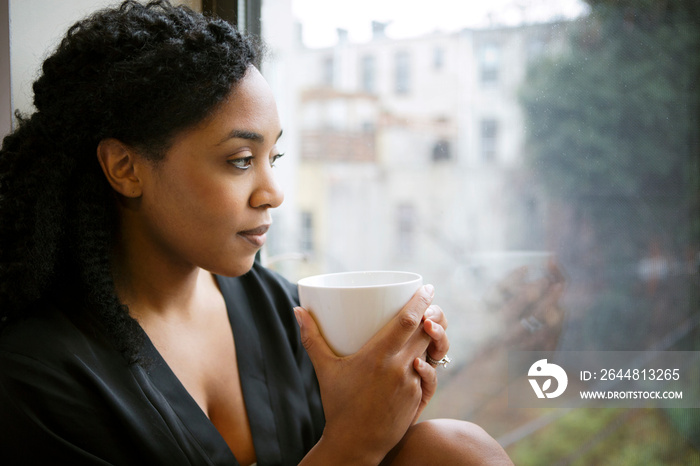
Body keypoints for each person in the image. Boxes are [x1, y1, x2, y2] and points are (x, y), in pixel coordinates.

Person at [0, 1, 513, 464]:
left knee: (455, 448)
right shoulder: (37, 377)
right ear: (125, 168)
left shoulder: (284, 313)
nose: (273, 192)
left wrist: (393, 387)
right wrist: (351, 444)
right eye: (241, 160)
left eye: (275, 157)